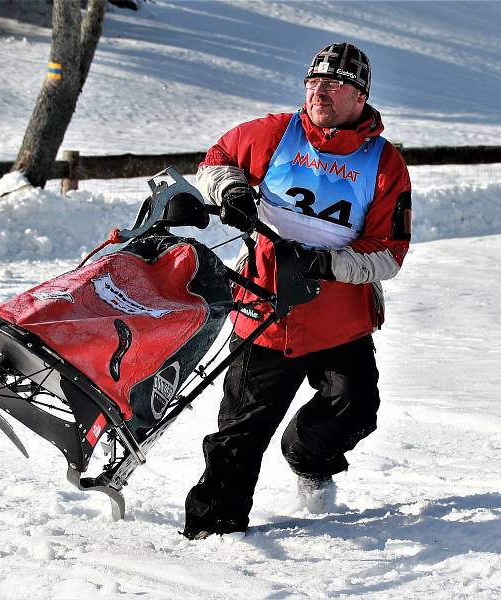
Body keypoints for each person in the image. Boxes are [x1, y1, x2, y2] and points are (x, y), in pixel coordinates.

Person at [182, 43, 412, 539]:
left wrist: (324, 262)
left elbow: (388, 252)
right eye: (313, 81)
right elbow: (216, 159)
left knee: (353, 410)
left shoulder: (384, 163)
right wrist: (232, 189)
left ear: (360, 96)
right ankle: (211, 534)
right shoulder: (273, 133)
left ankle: (308, 458)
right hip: (265, 310)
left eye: (334, 83)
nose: (319, 90)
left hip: (340, 319)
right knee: (240, 433)